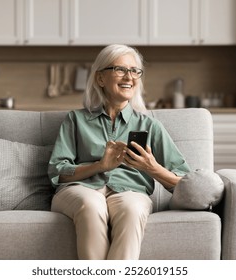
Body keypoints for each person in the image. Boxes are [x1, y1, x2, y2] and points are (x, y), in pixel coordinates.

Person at [48, 44, 190, 260]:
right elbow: (57, 172)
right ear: (100, 79)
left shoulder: (150, 126)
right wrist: (99, 167)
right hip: (80, 189)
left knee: (133, 210)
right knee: (91, 204)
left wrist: (152, 168)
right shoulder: (76, 120)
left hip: (130, 191)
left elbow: (185, 183)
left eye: (135, 71)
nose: (129, 77)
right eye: (120, 69)